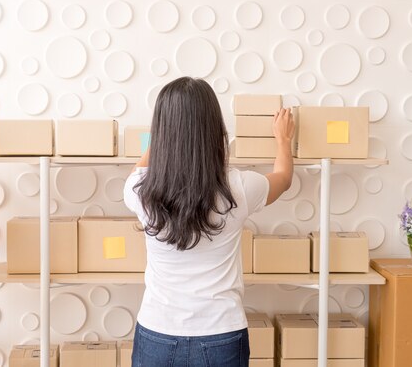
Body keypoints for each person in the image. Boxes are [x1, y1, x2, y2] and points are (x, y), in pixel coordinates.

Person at [123, 76, 295, 367]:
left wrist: (163, 135)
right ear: (215, 128)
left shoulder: (140, 191)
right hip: (221, 334)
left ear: (161, 130)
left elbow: (139, 170)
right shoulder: (238, 188)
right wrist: (283, 140)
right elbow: (284, 179)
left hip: (157, 333)